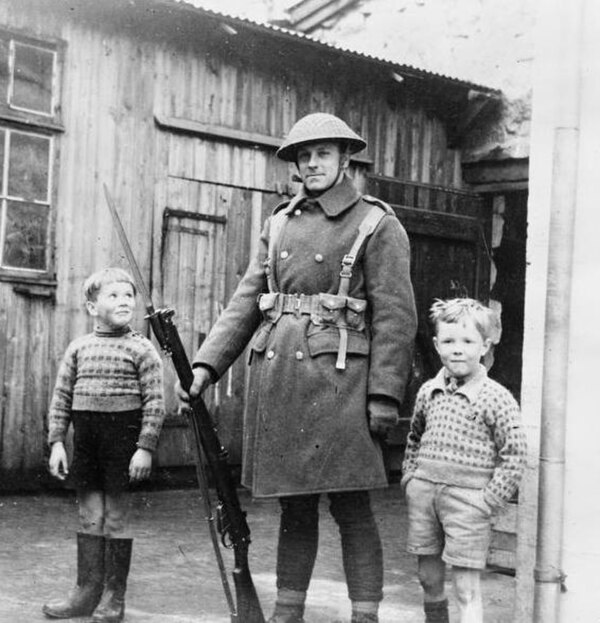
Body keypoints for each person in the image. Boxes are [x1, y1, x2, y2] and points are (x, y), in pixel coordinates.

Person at [177, 112, 417, 623]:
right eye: (303, 156)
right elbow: (247, 301)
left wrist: (384, 397)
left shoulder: (377, 223)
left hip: (343, 386)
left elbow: (396, 317)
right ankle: (287, 615)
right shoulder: (279, 222)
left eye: (322, 154)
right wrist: (205, 368)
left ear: (344, 159)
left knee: (352, 508)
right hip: (283, 382)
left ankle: (365, 616)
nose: (311, 164)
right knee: (295, 507)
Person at [42, 267, 166, 622]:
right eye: (113, 295)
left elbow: (156, 403)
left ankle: (114, 596)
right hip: (88, 443)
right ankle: (86, 591)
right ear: (92, 307)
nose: (124, 300)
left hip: (122, 444)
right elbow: (61, 397)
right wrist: (56, 443)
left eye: (128, 295)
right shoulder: (79, 348)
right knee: (89, 514)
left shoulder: (142, 349)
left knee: (115, 516)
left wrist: (145, 447)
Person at [401, 298, 527, 623]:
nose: (458, 350)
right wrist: (410, 479)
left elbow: (514, 452)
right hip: (425, 496)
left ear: (484, 346)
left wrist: (489, 500)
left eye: (468, 342)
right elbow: (414, 437)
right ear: (436, 344)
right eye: (449, 341)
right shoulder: (428, 391)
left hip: (469, 503)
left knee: (466, 588)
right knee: (429, 578)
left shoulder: (495, 397)